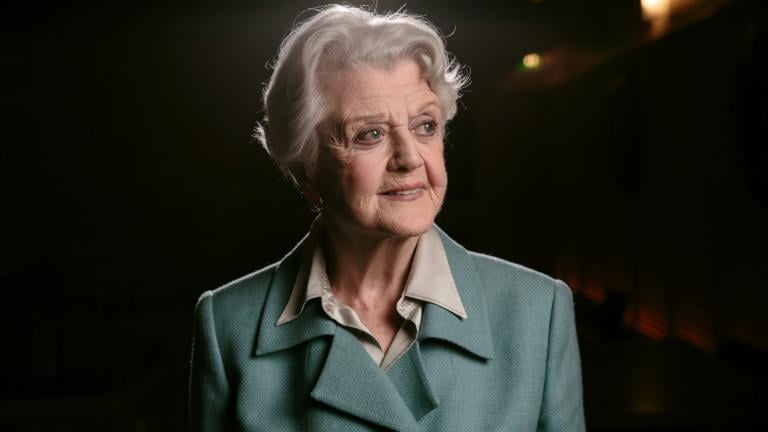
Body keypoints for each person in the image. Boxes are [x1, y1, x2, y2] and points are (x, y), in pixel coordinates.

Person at [189, 4, 585, 431]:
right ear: (307, 168)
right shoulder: (228, 324)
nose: (410, 158)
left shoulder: (536, 311)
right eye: (370, 134)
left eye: (425, 126)